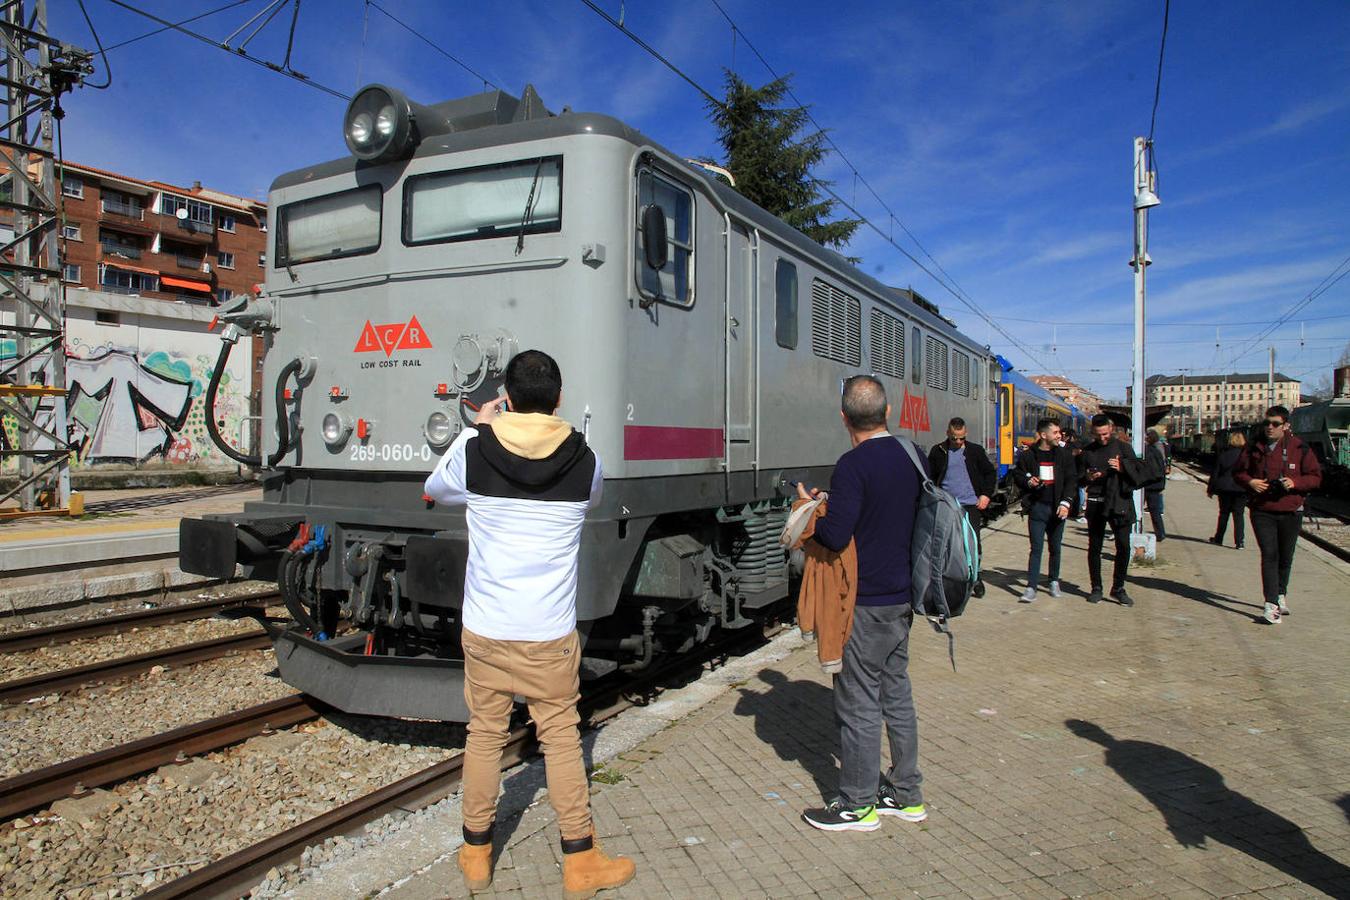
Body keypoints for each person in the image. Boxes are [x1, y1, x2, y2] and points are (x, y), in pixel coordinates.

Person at [423, 350, 635, 898]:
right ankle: (580, 862)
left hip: (488, 628)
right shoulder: (587, 460)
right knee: (562, 740)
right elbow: (592, 501)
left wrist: (481, 427)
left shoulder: (473, 449)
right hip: (547, 631)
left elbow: (435, 489)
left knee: (484, 736)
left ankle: (475, 857)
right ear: (559, 400)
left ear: (508, 398)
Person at [796, 375, 927, 833]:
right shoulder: (912, 456)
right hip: (902, 598)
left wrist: (812, 509)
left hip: (864, 602)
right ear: (887, 412)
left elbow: (835, 536)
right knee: (897, 696)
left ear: (844, 418)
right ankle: (907, 795)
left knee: (858, 705)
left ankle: (857, 805)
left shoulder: (852, 465)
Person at [1232, 406, 1322, 624]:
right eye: (1267, 424)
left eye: (1275, 424)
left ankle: (1281, 594)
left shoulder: (1300, 448)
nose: (1269, 428)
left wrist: (1295, 482)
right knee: (1269, 554)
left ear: (1286, 426)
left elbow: (1315, 477)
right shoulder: (1254, 447)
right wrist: (1250, 482)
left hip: (1291, 510)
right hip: (1262, 510)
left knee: (1285, 556)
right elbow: (1237, 472)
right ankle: (1271, 604)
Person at [1078, 414, 1150, 606]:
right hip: (1096, 503)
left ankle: (1118, 588)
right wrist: (1088, 477)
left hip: (1119, 503)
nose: (1102, 438)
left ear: (1111, 429)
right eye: (1098, 434)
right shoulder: (1088, 451)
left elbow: (1140, 473)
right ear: (1093, 432)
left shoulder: (1123, 448)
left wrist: (1122, 467)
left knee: (1123, 546)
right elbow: (1078, 477)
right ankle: (1096, 588)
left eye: (1105, 434)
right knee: (1095, 547)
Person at [927, 417, 996, 598]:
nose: (958, 442)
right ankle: (948, 579)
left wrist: (986, 495)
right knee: (946, 544)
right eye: (954, 438)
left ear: (965, 434)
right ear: (948, 434)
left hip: (970, 505)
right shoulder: (938, 451)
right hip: (947, 506)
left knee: (972, 544)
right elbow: (930, 478)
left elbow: (990, 473)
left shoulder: (975, 451)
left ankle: (975, 578)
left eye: (961, 438)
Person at [1010, 418, 1076, 602]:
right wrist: (1028, 482)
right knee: (1036, 548)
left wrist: (1066, 502)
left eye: (1059, 432)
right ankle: (1031, 586)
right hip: (1038, 507)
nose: (1059, 435)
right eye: (1055, 433)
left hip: (1058, 508)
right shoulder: (1028, 455)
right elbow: (1018, 474)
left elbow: (1072, 480)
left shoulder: (1064, 455)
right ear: (1044, 435)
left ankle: (1053, 580)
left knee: (1055, 547)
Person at [1208, 431, 1248, 549]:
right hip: (1241, 488)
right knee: (1239, 515)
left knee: (1224, 514)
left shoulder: (1223, 455)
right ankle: (1239, 542)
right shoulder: (1246, 456)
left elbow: (1215, 473)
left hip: (1224, 488)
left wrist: (1211, 489)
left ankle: (1219, 538)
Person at [1142, 431, 1169, 542]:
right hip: (1156, 485)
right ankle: (1160, 533)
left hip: (1148, 485)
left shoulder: (1148, 452)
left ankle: (1159, 533)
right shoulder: (1157, 451)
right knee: (1155, 511)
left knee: (1138, 508)